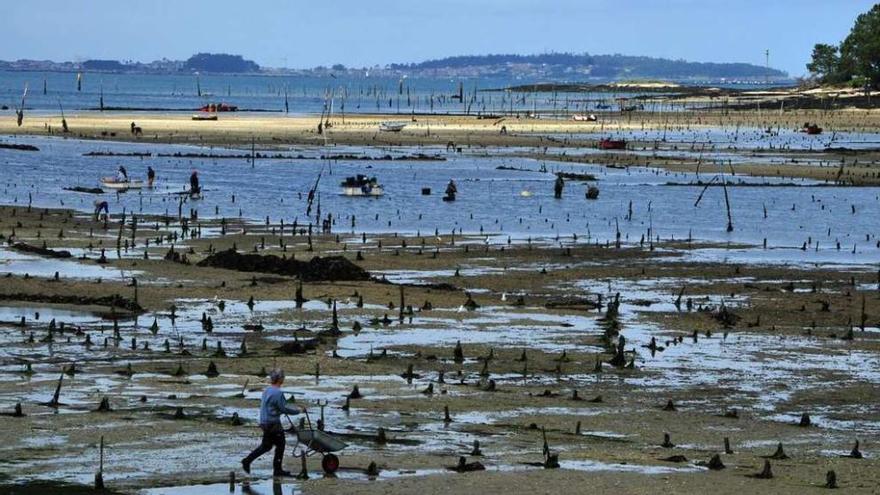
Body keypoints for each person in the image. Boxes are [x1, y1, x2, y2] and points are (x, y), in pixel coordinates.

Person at [241, 369, 304, 477]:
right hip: (272, 422)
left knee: (266, 446)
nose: (283, 379)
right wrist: (299, 411)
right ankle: (277, 470)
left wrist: (279, 410)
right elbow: (285, 408)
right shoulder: (278, 393)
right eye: (282, 377)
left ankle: (247, 460)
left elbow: (272, 406)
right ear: (279, 379)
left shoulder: (267, 390)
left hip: (264, 421)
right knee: (281, 444)